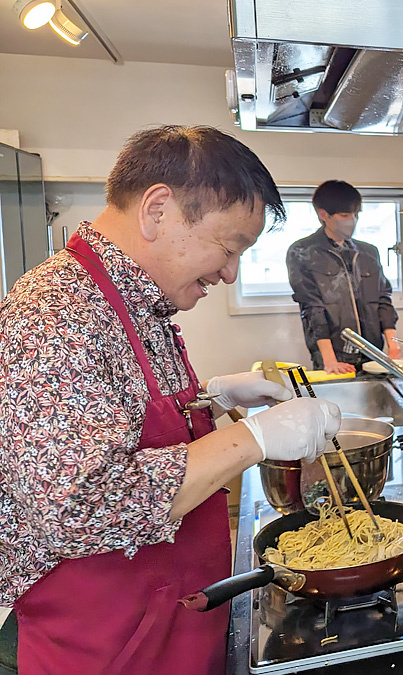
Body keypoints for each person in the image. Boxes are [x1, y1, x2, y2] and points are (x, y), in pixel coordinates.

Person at [0, 126, 341, 674]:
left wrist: (212, 398)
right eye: (228, 249)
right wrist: (252, 438)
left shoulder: (137, 302)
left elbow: (127, 418)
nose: (230, 273)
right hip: (110, 646)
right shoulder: (55, 314)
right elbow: (75, 509)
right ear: (158, 210)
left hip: (173, 621)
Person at [287, 180, 401, 374]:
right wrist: (329, 360)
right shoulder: (303, 252)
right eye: (345, 215)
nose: (353, 221)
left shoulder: (368, 252)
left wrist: (393, 347)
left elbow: (383, 300)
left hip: (373, 354)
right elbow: (312, 308)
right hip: (334, 357)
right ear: (323, 215)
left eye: (356, 214)